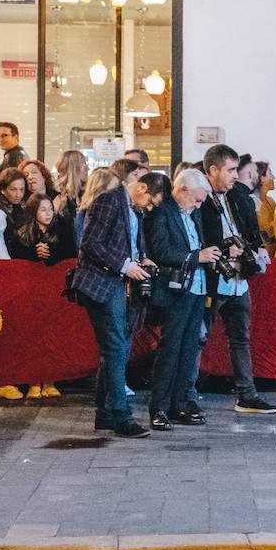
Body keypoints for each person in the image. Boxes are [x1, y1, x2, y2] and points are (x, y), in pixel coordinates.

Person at [70, 170, 165, 438]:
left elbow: (133, 241)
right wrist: (126, 266)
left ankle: (105, 414)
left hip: (119, 285)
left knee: (116, 350)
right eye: (150, 202)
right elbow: (89, 243)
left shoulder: (132, 207)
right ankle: (122, 417)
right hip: (102, 285)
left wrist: (143, 259)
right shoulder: (108, 201)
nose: (148, 209)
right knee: (115, 350)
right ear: (142, 188)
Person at [200, 144, 276, 415]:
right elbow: (195, 238)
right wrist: (222, 246)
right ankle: (183, 395)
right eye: (231, 170)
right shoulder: (201, 197)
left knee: (241, 338)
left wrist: (256, 250)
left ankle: (247, 395)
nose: (236, 176)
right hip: (212, 277)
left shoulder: (237, 196)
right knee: (197, 336)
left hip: (238, 277)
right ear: (213, 170)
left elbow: (249, 229)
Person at [145, 168, 221, 430]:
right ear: (183, 190)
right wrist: (196, 257)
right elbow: (162, 250)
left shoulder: (194, 214)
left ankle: (180, 403)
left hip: (197, 288)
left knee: (189, 349)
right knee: (171, 349)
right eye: (197, 199)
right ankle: (159, 407)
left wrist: (207, 257)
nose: (199, 205)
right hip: (175, 290)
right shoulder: (162, 214)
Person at [6, 195, 76, 264]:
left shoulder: (62, 228)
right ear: (34, 211)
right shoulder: (22, 233)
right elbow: (16, 257)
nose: (48, 213)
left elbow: (71, 254)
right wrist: (34, 253)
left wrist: (50, 251)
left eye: (51, 209)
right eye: (43, 210)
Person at [74, 168, 119, 245]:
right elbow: (83, 245)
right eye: (115, 186)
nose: (118, 190)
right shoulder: (85, 213)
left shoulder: (115, 210)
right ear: (102, 187)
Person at [54, 150, 88, 227]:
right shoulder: (54, 193)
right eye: (84, 165)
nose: (88, 168)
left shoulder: (87, 191)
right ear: (73, 169)